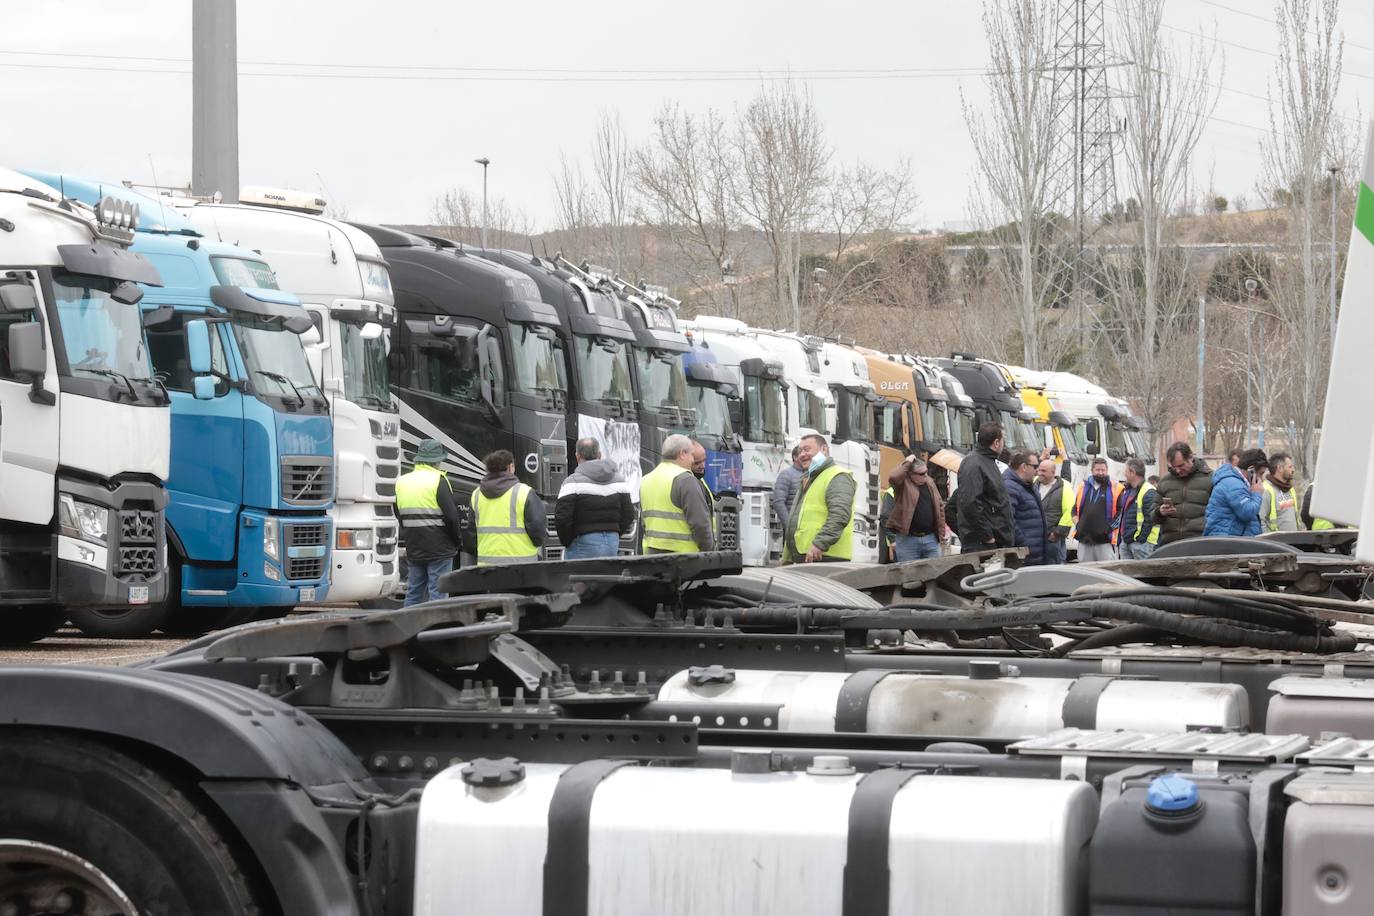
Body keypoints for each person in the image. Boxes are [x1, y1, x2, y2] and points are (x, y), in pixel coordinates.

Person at [395, 439, 463, 605]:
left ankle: (408, 628)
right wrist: (457, 541)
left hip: (414, 546)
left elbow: (398, 513)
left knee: (414, 592)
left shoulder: (402, 481)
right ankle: (436, 628)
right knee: (438, 593)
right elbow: (452, 517)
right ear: (437, 461)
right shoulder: (438, 480)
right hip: (440, 548)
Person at [554, 437, 635, 559]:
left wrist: (568, 541)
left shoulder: (572, 482)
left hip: (581, 542)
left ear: (577, 456)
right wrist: (614, 532)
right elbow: (629, 514)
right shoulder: (619, 481)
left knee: (578, 578)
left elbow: (562, 518)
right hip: (612, 542)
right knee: (606, 577)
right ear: (600, 455)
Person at [784, 433, 857, 563]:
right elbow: (795, 521)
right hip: (807, 557)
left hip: (825, 558)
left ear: (824, 449)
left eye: (807, 449)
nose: (802, 455)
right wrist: (787, 557)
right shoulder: (809, 479)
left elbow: (839, 515)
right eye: (800, 451)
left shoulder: (838, 476)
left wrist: (820, 544)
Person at [465, 449, 546, 565]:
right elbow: (538, 531)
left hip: (487, 566)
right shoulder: (524, 492)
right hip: (522, 566)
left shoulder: (476, 495)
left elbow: (471, 536)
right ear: (511, 467)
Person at [640, 433, 715, 553]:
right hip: (684, 559)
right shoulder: (685, 480)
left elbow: (644, 522)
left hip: (652, 556)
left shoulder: (646, 480)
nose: (692, 460)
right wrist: (709, 552)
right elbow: (700, 524)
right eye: (691, 455)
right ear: (682, 454)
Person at [956, 423, 1016, 552]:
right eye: (1003, 440)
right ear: (996, 443)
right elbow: (970, 504)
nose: (1004, 444)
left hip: (995, 541)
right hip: (981, 544)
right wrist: (987, 537)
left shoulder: (988, 461)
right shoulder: (973, 464)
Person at [884, 455, 946, 562]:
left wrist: (941, 534)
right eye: (922, 474)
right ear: (910, 474)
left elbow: (940, 506)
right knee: (908, 575)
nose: (926, 476)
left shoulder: (930, 482)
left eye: (926, 472)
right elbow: (893, 477)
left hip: (930, 539)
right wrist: (907, 462)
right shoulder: (903, 484)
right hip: (907, 540)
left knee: (935, 575)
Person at [1154, 442, 1213, 545]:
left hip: (1199, 544)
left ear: (1191, 457)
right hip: (1170, 545)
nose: (1177, 470)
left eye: (1181, 465)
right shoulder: (1164, 482)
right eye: (1173, 467)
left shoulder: (1211, 479)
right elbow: (1152, 516)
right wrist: (1159, 512)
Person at [1204, 447, 1266, 537]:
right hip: (1226, 543)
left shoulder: (1239, 483)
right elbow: (1247, 512)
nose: (1261, 479)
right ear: (1251, 470)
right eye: (1261, 473)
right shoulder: (1233, 484)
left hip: (1232, 539)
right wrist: (1257, 494)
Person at [1072, 458, 1121, 563]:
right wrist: (1078, 525)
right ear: (1092, 470)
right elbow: (1074, 509)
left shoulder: (1115, 488)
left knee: (1107, 572)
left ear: (1107, 471)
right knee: (1086, 573)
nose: (1100, 473)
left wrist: (1108, 529)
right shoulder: (1083, 487)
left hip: (1104, 541)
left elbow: (1120, 513)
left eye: (1103, 470)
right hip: (1084, 540)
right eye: (1097, 470)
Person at [1002, 451, 1047, 565]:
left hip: (1034, 553)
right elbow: (1008, 520)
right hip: (1024, 555)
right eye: (1035, 466)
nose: (1037, 470)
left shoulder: (1028, 485)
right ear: (1024, 467)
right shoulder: (1010, 487)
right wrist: (1023, 543)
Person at [1117, 458, 1159, 560]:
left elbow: (1150, 519)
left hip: (1142, 544)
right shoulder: (1128, 490)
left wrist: (1141, 539)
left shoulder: (1149, 491)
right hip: (1128, 541)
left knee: (1144, 574)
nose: (1124, 474)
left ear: (1133, 472)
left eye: (1126, 471)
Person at [1035, 458, 1072, 565]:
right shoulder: (1034, 483)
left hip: (1053, 540)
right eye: (1039, 470)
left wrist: (1056, 533)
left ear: (1053, 472)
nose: (1040, 473)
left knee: (1055, 569)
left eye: (1044, 471)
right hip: (1036, 537)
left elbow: (1069, 512)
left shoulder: (1065, 487)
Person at [1260, 452, 1301, 533]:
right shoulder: (1266, 490)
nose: (1293, 470)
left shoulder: (1290, 489)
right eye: (1290, 467)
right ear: (1280, 468)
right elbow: (1261, 521)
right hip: (1277, 543)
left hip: (1293, 541)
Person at [770, 445, 805, 528]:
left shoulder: (810, 475)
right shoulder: (786, 475)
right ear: (795, 457)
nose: (805, 456)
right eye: (802, 454)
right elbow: (778, 502)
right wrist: (789, 525)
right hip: (793, 528)